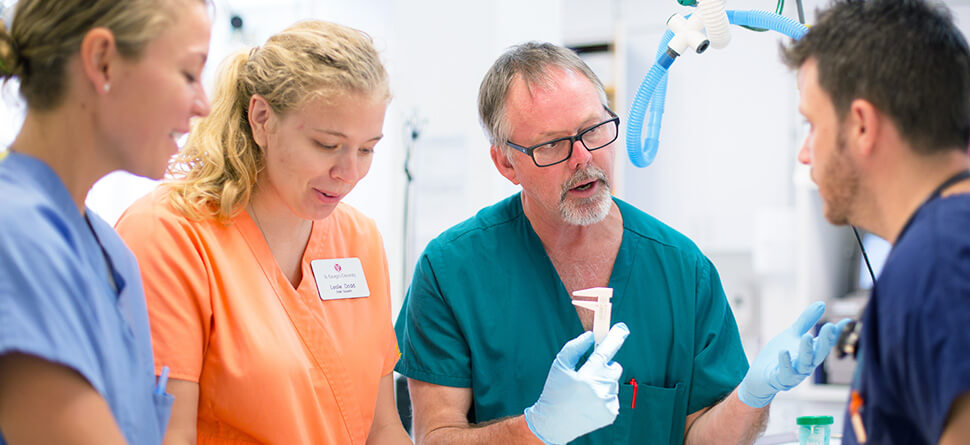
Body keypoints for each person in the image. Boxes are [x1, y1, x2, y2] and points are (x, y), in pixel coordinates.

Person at [394, 41, 846, 444]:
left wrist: (752, 396)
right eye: (553, 145)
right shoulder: (451, 271)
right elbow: (435, 436)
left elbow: (702, 436)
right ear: (506, 164)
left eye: (594, 130)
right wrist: (535, 429)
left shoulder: (682, 270)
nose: (585, 158)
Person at [114, 21, 410, 444]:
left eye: (367, 149)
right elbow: (164, 436)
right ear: (261, 118)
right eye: (327, 145)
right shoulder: (169, 236)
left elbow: (384, 429)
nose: (350, 174)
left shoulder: (358, 239)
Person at [782, 0, 970, 443]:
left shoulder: (944, 263)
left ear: (861, 125)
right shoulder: (967, 236)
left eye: (812, 125)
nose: (805, 154)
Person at [0, 0, 210, 443]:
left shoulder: (113, 255)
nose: (203, 105)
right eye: (189, 74)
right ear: (103, 61)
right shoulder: (13, 237)